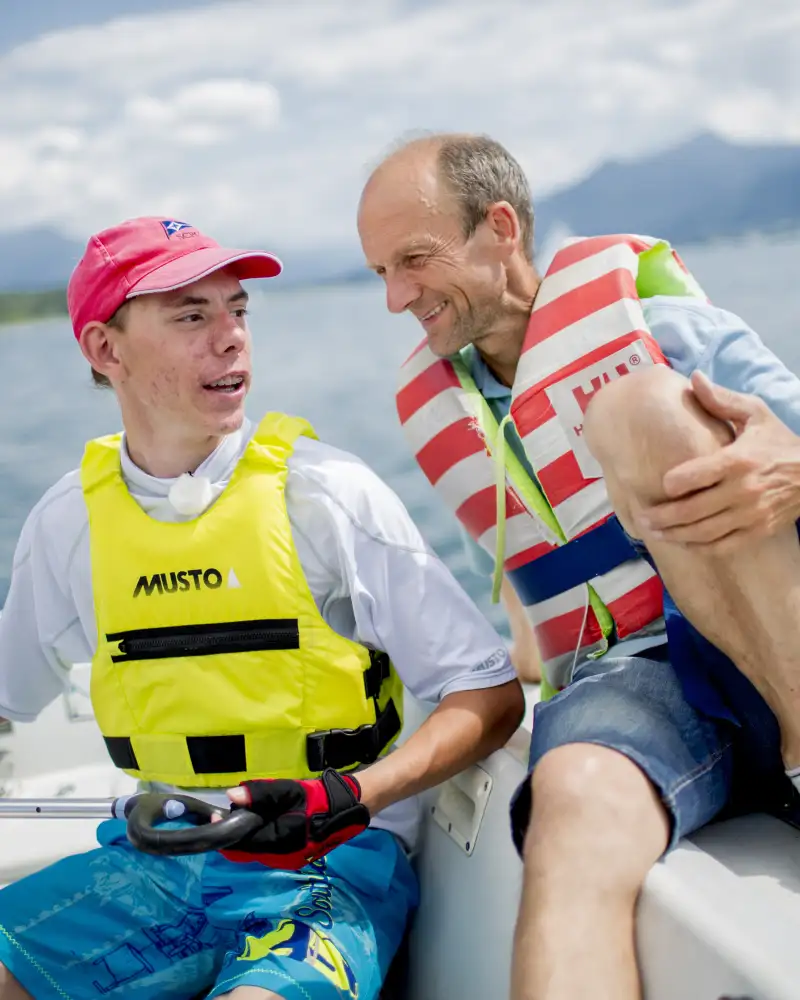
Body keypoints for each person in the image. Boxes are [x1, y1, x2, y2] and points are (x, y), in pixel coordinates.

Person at [0, 216, 524, 1000]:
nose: (232, 337)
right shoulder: (64, 522)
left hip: (327, 871)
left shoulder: (328, 494)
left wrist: (351, 796)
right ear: (106, 350)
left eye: (238, 311)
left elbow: (490, 693)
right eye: (191, 316)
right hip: (154, 866)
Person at [357, 132, 800, 1000]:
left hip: (775, 629)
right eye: (380, 272)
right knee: (568, 798)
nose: (397, 298)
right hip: (643, 679)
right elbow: (535, 610)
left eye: (414, 260)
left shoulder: (653, 318)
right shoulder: (443, 407)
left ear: (499, 229)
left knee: (640, 408)